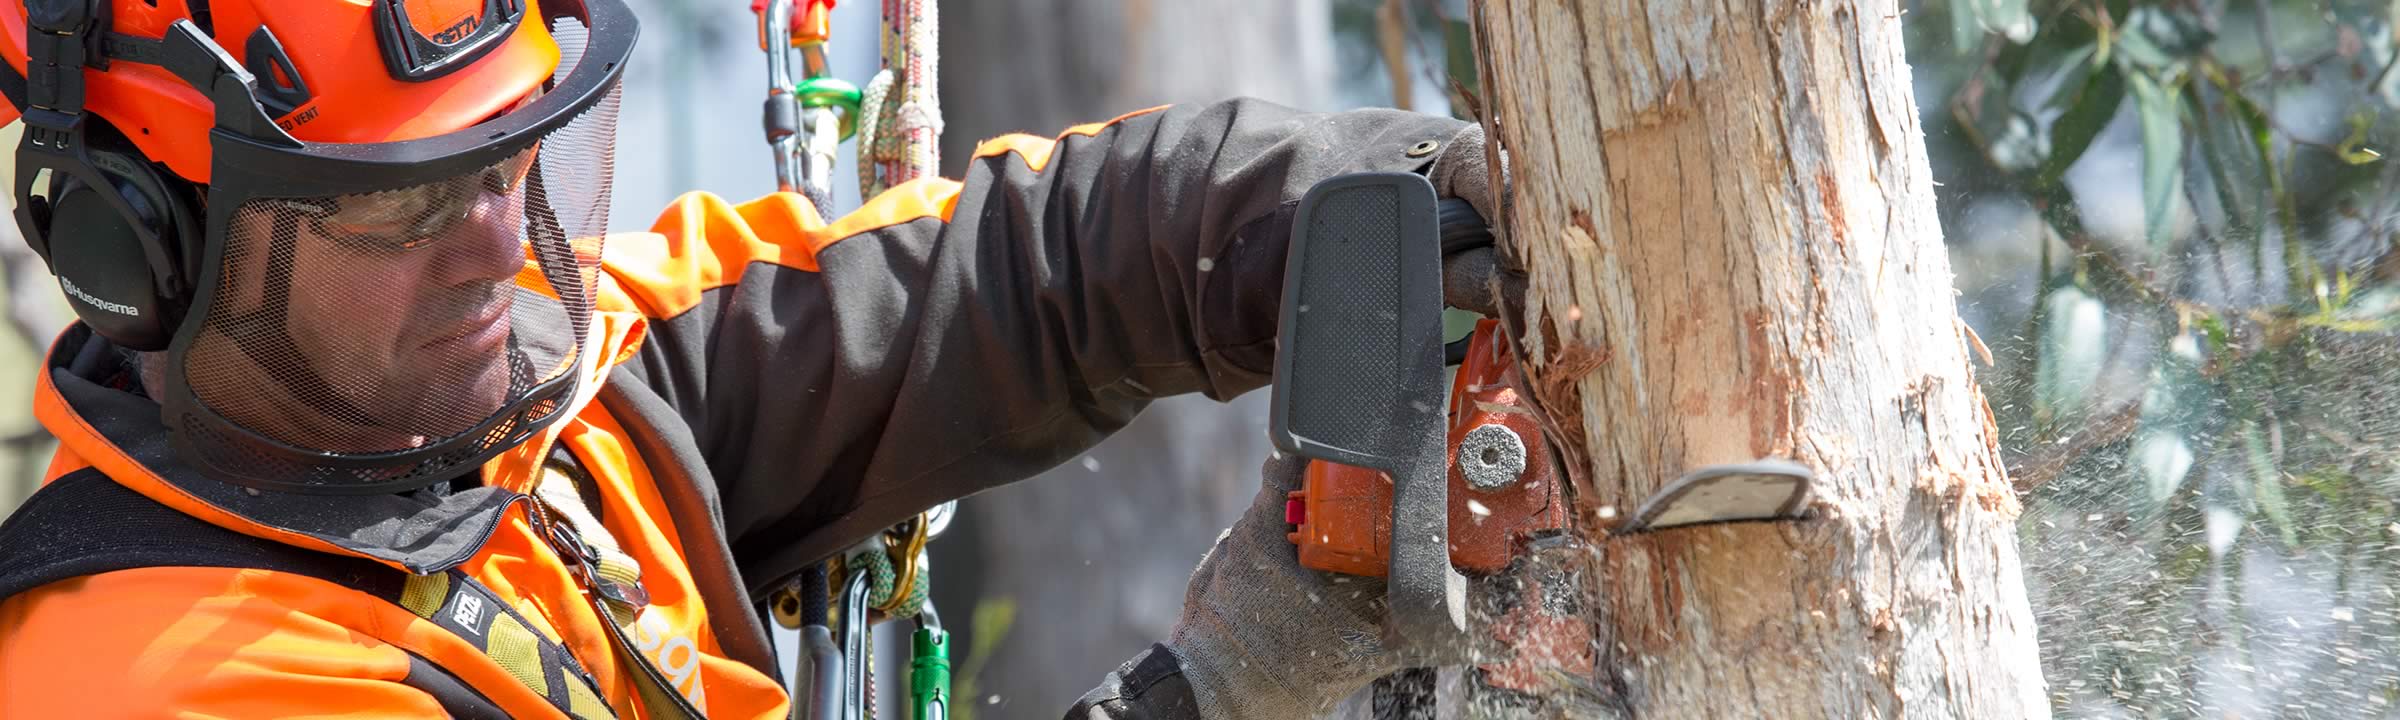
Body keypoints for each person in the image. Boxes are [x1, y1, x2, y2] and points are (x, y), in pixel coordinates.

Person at [0, 1, 1506, 718]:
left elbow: (1010, 271)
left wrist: (1364, 204)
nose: (493, 239)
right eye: (400, 206)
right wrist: (1229, 687)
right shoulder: (170, 684)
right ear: (143, 243)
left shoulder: (518, 400)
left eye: (513, 160)